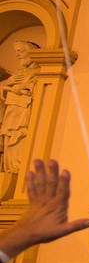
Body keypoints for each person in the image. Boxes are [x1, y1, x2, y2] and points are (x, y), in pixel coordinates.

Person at [0, 40, 39, 175]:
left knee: (19, 136)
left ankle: (17, 168)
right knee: (9, 137)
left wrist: (20, 88)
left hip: (23, 110)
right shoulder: (18, 73)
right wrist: (7, 85)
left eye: (20, 51)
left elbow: (35, 88)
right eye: (16, 52)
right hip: (11, 111)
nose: (17, 55)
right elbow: (4, 88)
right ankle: (10, 167)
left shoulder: (38, 71)